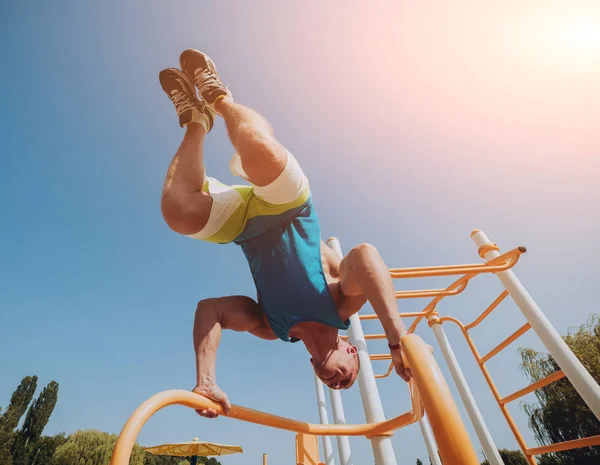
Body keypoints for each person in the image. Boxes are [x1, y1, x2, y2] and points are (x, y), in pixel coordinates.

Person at [159, 49, 409, 418]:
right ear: (352, 351)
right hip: (289, 206)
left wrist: (206, 379)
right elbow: (365, 255)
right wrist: (397, 340)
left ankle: (196, 120)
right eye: (346, 378)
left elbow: (209, 309)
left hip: (242, 226)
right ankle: (217, 96)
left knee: (177, 213)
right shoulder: (342, 303)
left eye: (334, 386)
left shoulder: (271, 327)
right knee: (258, 152)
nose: (337, 384)